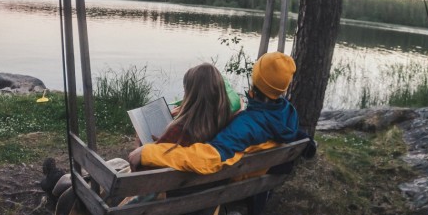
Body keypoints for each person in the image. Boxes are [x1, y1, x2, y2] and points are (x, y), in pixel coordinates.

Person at [128, 52, 300, 174]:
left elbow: (209, 157)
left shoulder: (246, 125)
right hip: (256, 174)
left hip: (227, 183)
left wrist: (148, 153)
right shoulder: (287, 113)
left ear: (255, 78)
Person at [152, 63, 238, 149]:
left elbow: (151, 156)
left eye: (186, 90)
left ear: (191, 95)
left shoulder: (181, 130)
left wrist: (138, 142)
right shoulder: (226, 123)